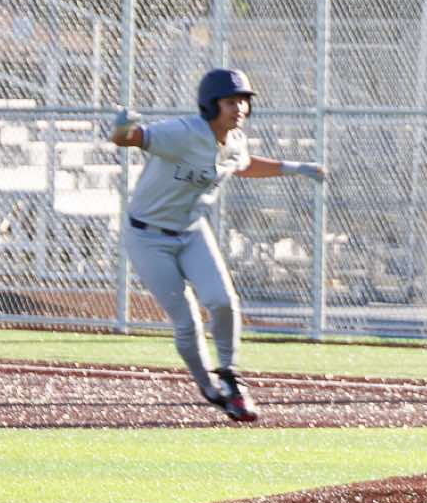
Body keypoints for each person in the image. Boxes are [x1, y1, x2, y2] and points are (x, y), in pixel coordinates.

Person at [107, 68, 326, 421]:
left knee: (223, 301)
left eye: (243, 101)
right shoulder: (183, 132)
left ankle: (230, 376)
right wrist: (121, 128)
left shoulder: (234, 139)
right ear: (211, 105)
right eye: (230, 102)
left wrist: (294, 167)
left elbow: (244, 165)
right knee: (186, 319)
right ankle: (209, 387)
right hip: (147, 236)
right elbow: (129, 139)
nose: (239, 108)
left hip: (192, 230)